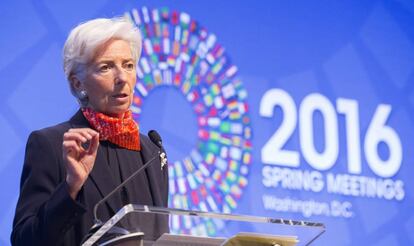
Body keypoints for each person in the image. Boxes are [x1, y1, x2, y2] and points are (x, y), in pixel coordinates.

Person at [11, 17, 169, 246]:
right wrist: (70, 187)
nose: (122, 78)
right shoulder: (52, 144)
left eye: (128, 65)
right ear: (78, 84)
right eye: (106, 67)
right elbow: (24, 241)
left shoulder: (153, 153)